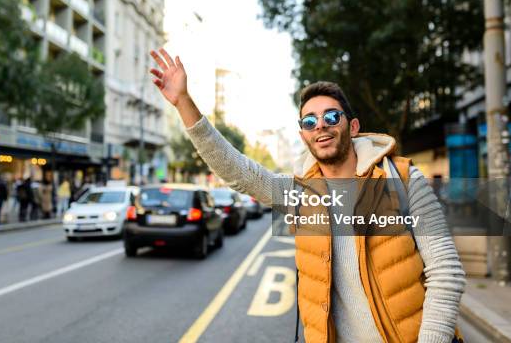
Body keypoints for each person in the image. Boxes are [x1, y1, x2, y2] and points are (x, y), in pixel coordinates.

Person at [149, 48, 465, 343]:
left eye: (332, 117)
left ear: (352, 126)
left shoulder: (404, 179)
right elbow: (238, 171)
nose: (321, 127)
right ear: (304, 135)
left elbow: (446, 273)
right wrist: (183, 103)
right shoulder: (300, 194)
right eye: (310, 121)